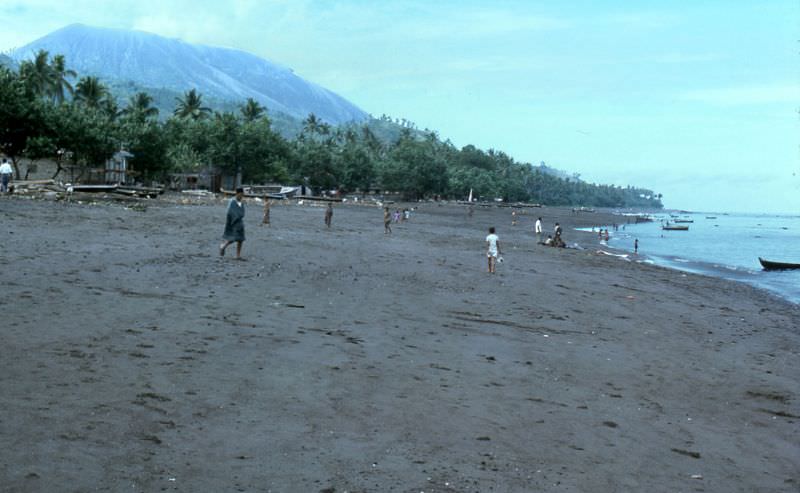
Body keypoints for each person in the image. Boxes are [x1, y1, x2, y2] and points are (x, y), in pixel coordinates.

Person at [220, 187, 246, 259]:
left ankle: (238, 255)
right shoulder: (232, 201)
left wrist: (240, 215)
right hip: (234, 222)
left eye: (242, 194)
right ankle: (223, 246)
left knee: (241, 238)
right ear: (237, 193)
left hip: (240, 222)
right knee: (233, 238)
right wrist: (234, 218)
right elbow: (229, 212)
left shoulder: (241, 202)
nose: (241, 196)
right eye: (241, 194)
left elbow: (242, 211)